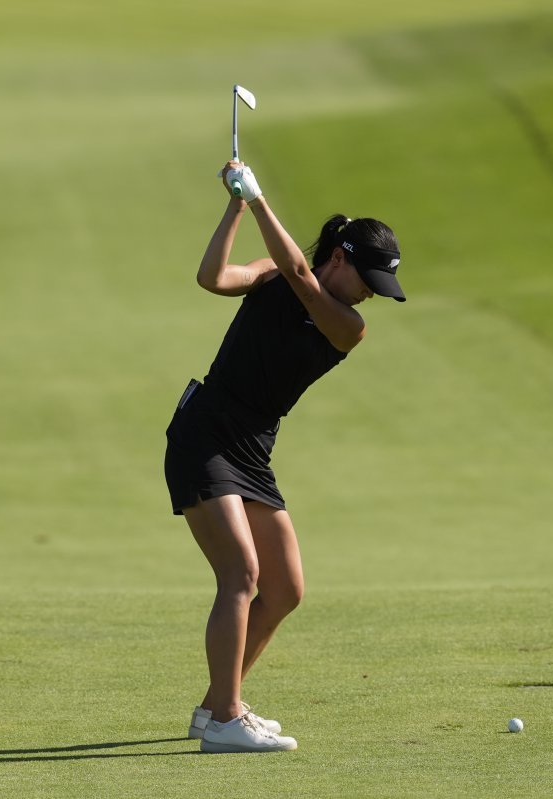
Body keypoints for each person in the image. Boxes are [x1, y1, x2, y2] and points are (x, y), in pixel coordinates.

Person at [164, 160, 405, 754]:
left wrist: (260, 195)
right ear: (341, 257)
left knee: (286, 590)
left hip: (251, 449)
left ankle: (217, 708)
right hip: (205, 433)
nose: (371, 291)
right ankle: (224, 720)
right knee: (241, 576)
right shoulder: (274, 274)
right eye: (367, 276)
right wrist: (238, 207)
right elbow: (213, 278)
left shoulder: (347, 325)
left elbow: (301, 271)